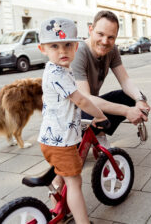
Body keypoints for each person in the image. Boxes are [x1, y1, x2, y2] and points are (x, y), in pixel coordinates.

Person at [37, 17, 107, 224]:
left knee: (60, 175)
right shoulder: (59, 74)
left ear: (76, 46)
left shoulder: (53, 70)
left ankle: (57, 209)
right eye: (54, 46)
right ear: (43, 49)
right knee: (75, 182)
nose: (62, 51)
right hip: (62, 142)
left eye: (68, 44)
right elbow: (80, 100)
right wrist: (99, 115)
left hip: (51, 139)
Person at [71, 11, 151, 147]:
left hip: (89, 108)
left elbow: (125, 80)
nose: (105, 41)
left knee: (130, 97)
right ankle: (93, 135)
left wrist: (140, 100)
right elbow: (85, 98)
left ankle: (99, 133)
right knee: (93, 105)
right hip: (71, 114)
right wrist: (126, 111)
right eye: (100, 34)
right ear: (91, 30)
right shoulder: (79, 51)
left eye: (110, 37)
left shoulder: (112, 50)